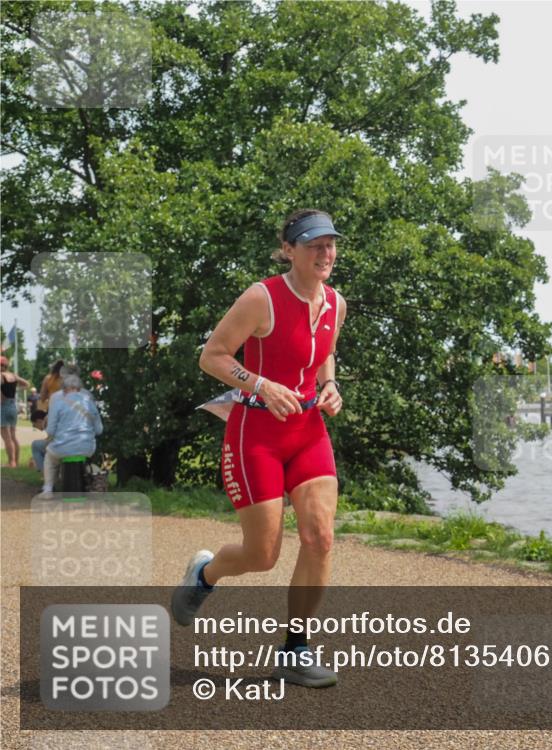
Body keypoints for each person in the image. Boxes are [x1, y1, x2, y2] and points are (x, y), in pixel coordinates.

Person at [171, 209, 346, 689]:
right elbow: (213, 356)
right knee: (262, 553)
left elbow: (324, 350)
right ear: (288, 250)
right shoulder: (262, 297)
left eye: (330, 244)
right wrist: (263, 384)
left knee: (320, 538)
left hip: (309, 430)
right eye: (313, 245)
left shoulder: (336, 303)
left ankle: (295, 650)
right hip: (258, 434)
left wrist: (329, 385)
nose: (324, 254)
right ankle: (205, 574)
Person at [36, 367, 103, 495]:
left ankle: (48, 488)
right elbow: (99, 430)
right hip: (87, 447)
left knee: (50, 456)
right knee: (81, 455)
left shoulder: (56, 399)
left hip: (62, 447)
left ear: (64, 387)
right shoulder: (88, 398)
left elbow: (50, 431)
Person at [1, 356, 31, 467]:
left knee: (6, 438)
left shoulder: (1, 376)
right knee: (13, 436)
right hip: (13, 407)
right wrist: (17, 389)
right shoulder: (13, 375)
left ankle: (11, 462)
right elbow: (27, 384)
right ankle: (16, 462)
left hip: (3, 407)